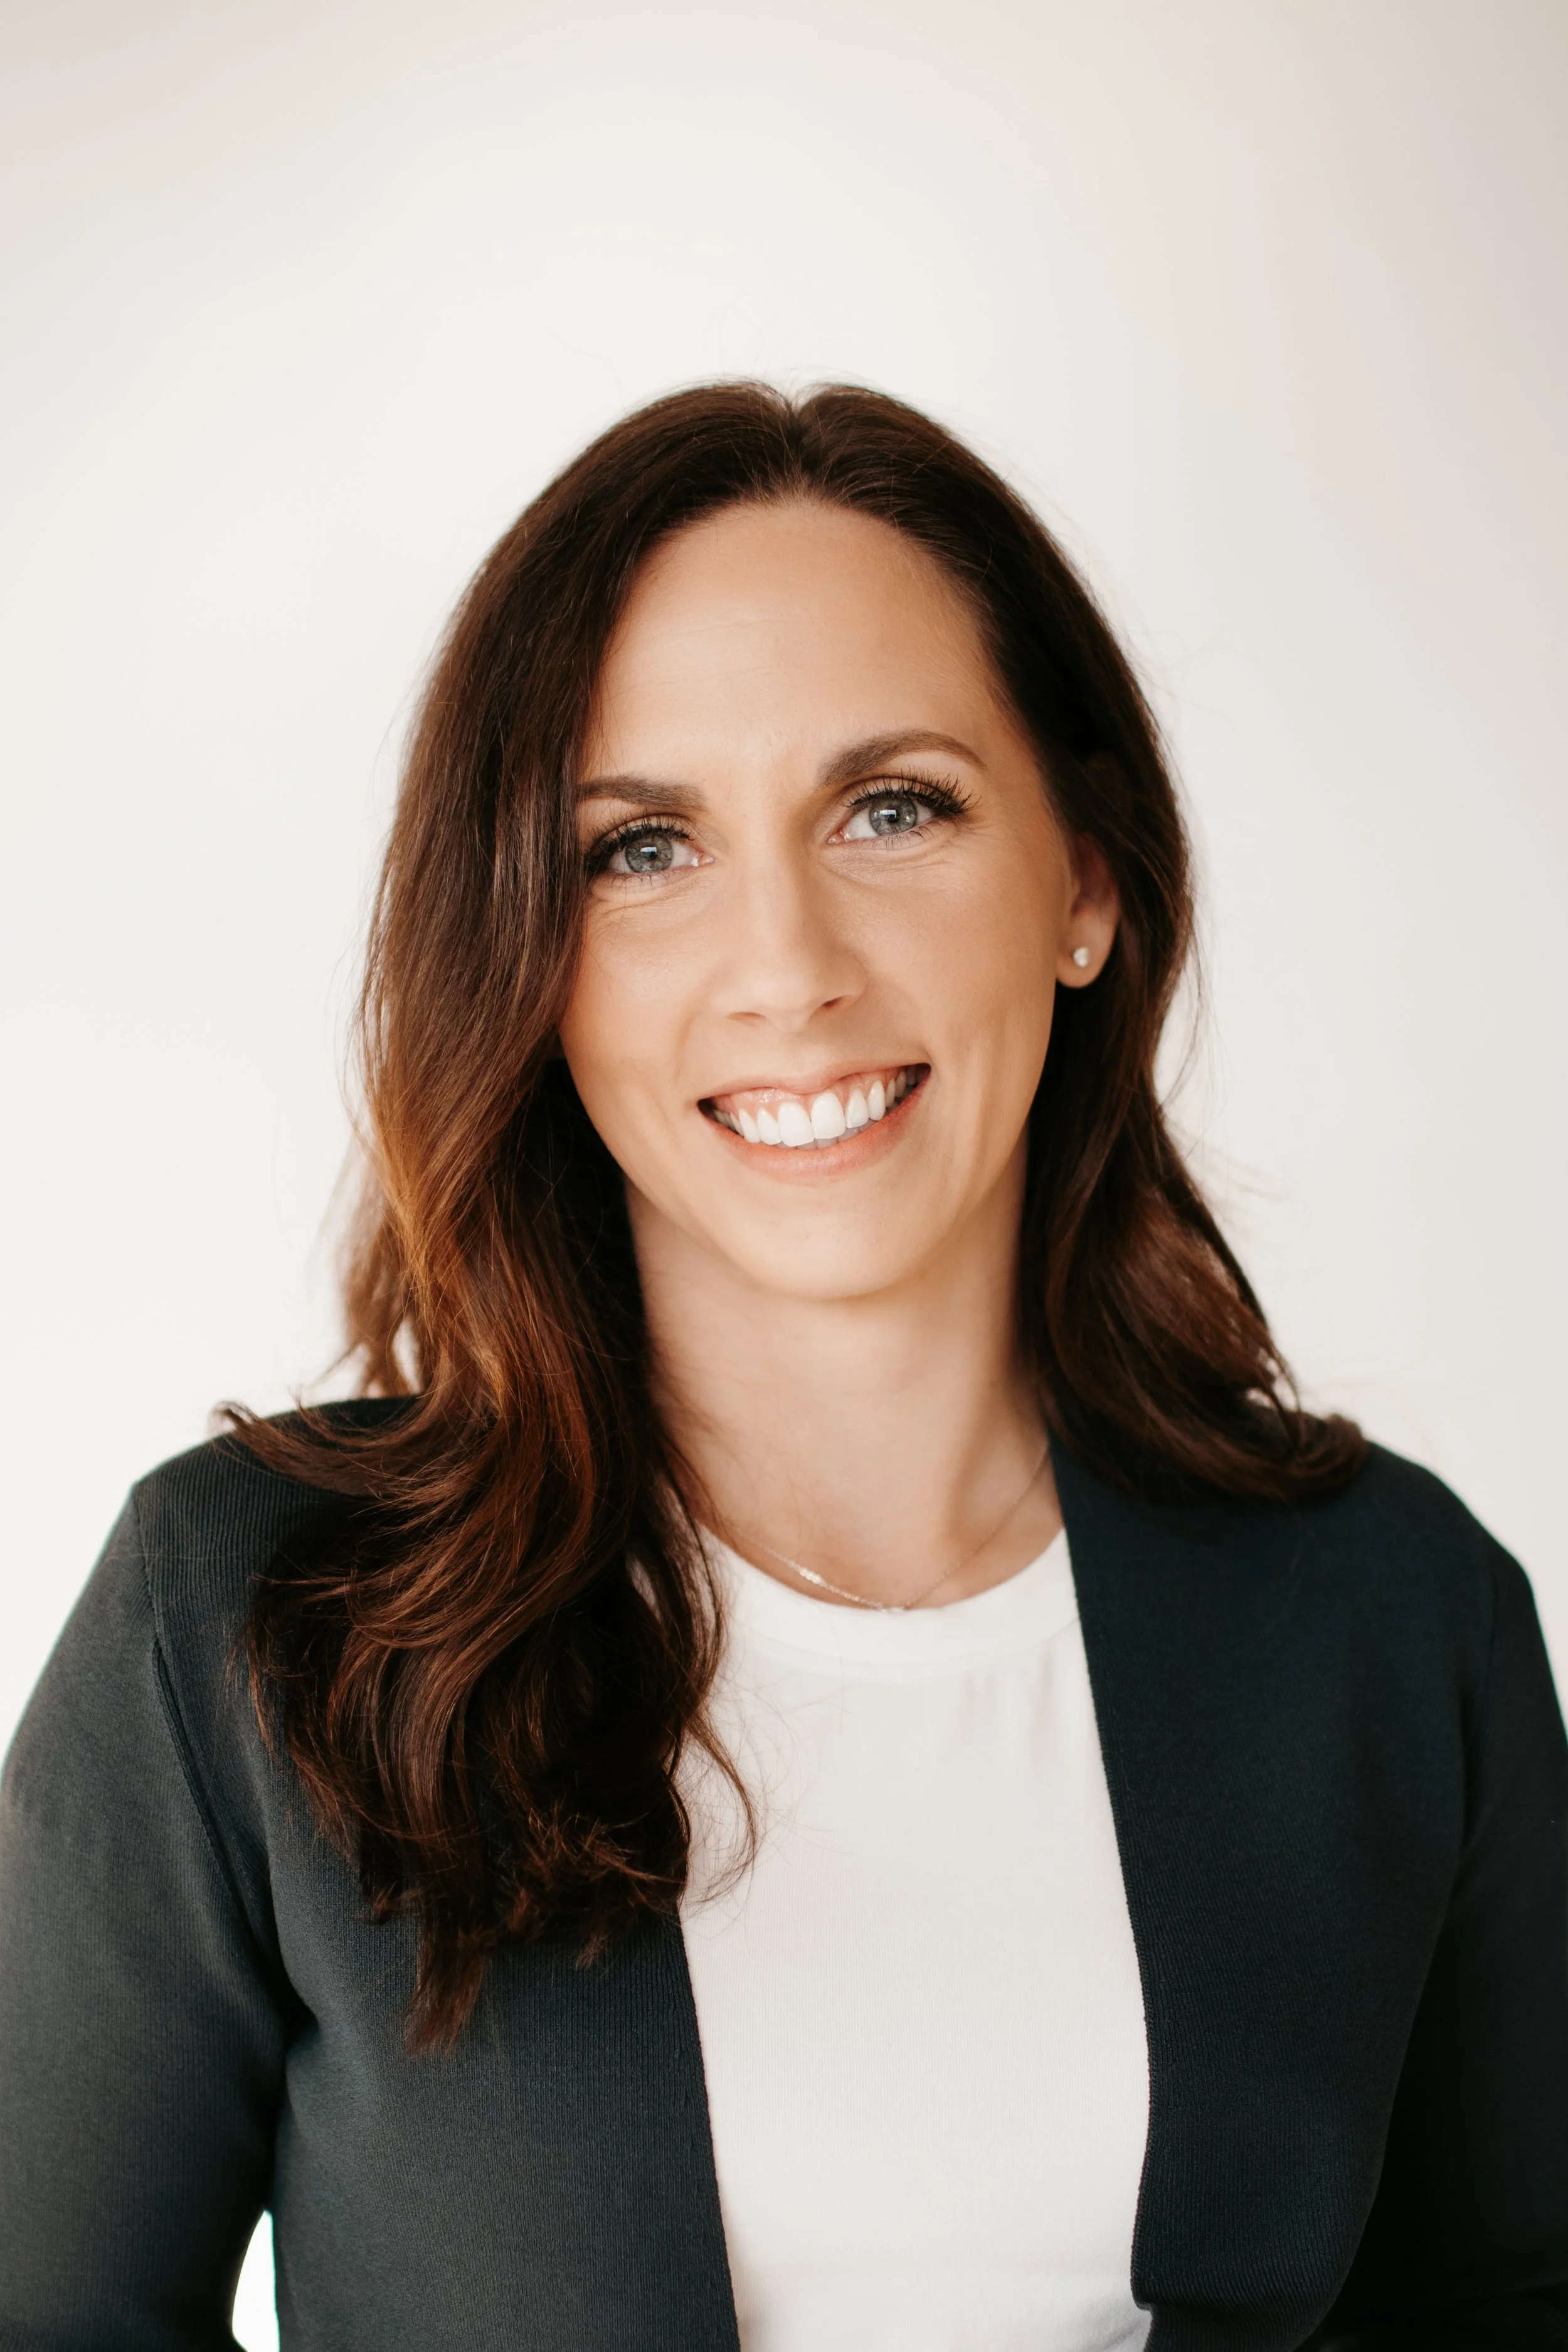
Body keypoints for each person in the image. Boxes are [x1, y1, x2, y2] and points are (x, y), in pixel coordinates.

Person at [2, 384, 1565, 2352]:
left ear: (1082, 879)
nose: (787, 960)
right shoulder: (246, 1614)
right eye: (642, 847)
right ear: (529, 948)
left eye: (890, 806)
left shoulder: (1394, 1612)